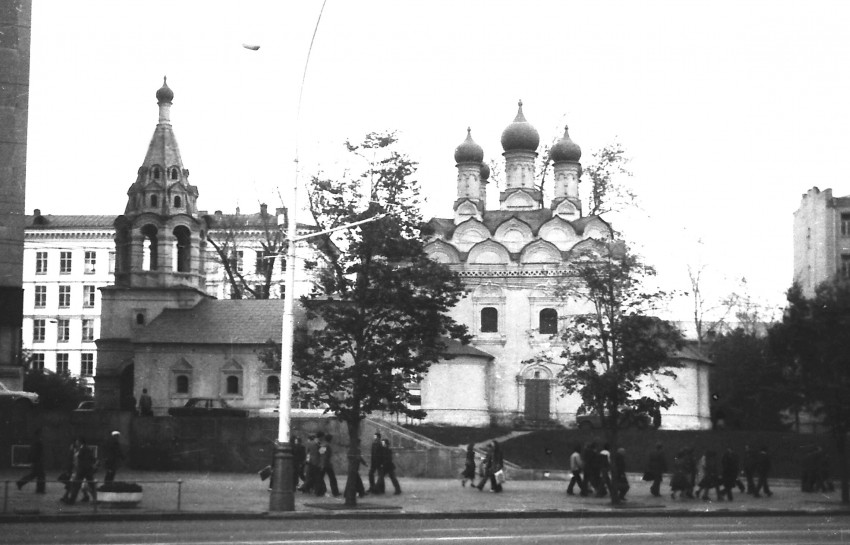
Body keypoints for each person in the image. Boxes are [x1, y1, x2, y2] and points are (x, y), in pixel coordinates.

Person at [62, 437, 97, 505]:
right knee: (78, 485)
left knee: (82, 485)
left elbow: (89, 459)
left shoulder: (85, 449)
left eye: (77, 441)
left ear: (80, 442)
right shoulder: (82, 449)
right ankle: (72, 499)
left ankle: (72, 500)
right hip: (82, 470)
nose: (76, 443)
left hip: (84, 470)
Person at [16, 428, 45, 494]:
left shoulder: (36, 441)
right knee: (40, 475)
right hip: (38, 461)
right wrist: (36, 460)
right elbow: (36, 452)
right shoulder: (38, 441)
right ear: (39, 433)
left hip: (37, 461)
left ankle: (21, 483)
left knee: (34, 475)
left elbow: (33, 452)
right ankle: (40, 489)